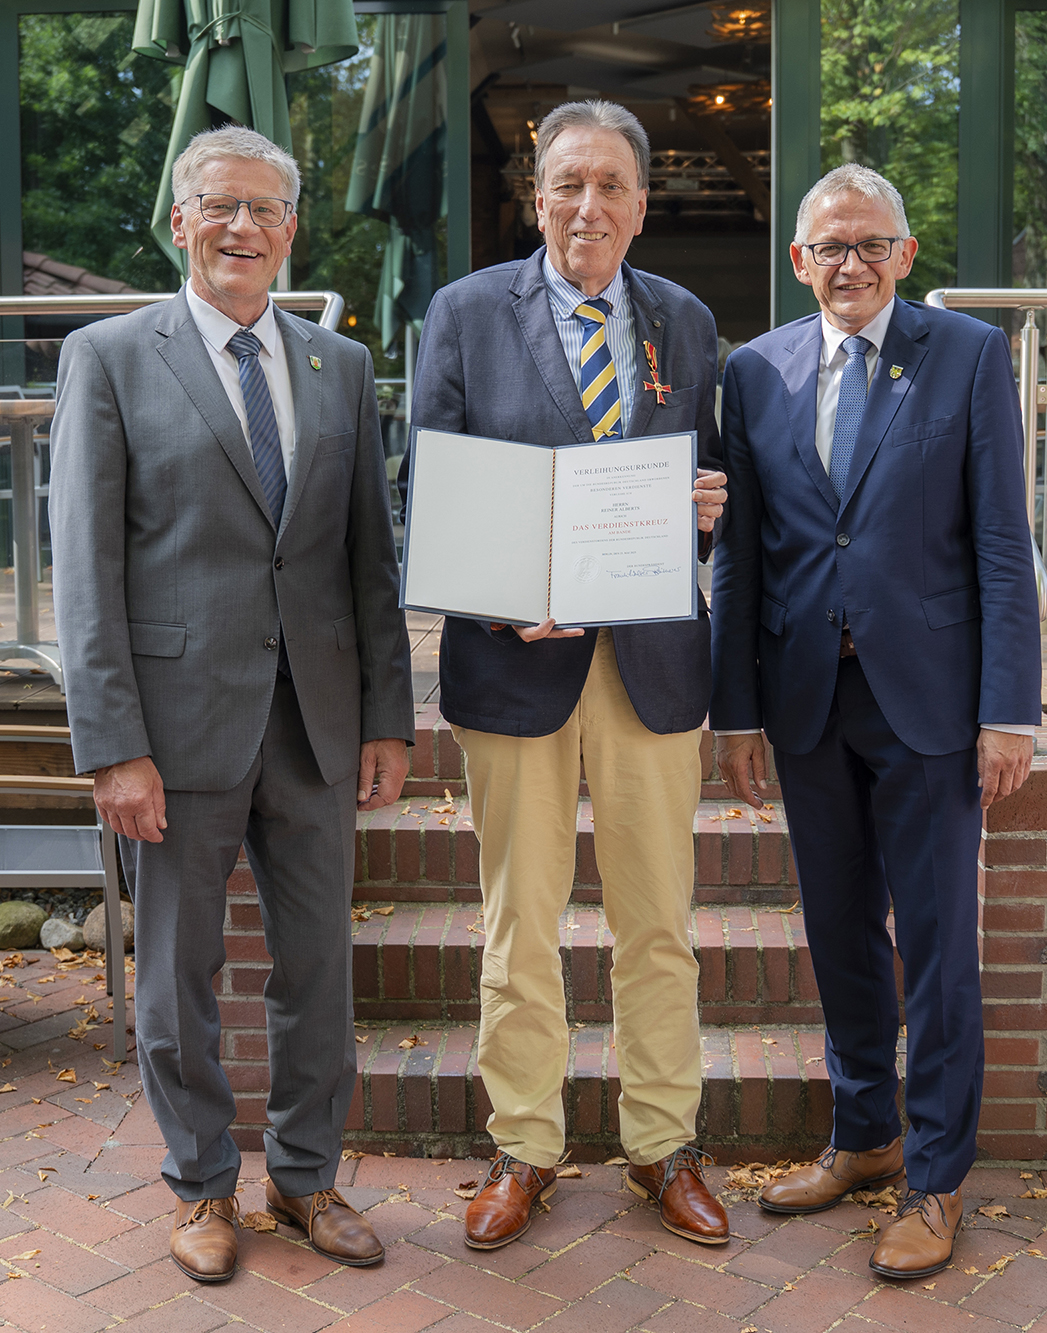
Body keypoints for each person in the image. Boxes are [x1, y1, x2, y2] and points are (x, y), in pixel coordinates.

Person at [49, 125, 413, 1280]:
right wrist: (112, 746)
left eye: (262, 210)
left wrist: (388, 719)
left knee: (316, 970)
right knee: (177, 977)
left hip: (315, 723)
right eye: (218, 207)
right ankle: (201, 1183)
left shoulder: (338, 369)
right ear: (178, 223)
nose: (240, 228)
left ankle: (306, 1177)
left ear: (291, 230)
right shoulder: (109, 356)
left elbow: (369, 563)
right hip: (174, 728)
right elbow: (86, 569)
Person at [710, 163, 1042, 1281]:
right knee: (837, 928)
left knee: (938, 945)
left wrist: (1009, 709)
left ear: (903, 255)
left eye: (868, 244)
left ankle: (936, 1180)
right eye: (826, 247)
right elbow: (741, 555)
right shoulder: (753, 372)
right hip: (806, 696)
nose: (847, 264)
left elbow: (1002, 542)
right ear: (796, 261)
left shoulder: (967, 355)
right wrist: (736, 710)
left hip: (934, 704)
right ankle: (864, 1135)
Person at [410, 99, 731, 1251]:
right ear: (534, 198)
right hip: (515, 663)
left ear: (641, 205)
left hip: (649, 660)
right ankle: (523, 1145)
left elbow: (717, 488)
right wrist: (502, 596)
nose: (586, 206)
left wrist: (707, 508)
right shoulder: (459, 316)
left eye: (609, 186)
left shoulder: (688, 324)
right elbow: (425, 495)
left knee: (658, 922)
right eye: (566, 185)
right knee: (519, 922)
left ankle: (662, 1144)